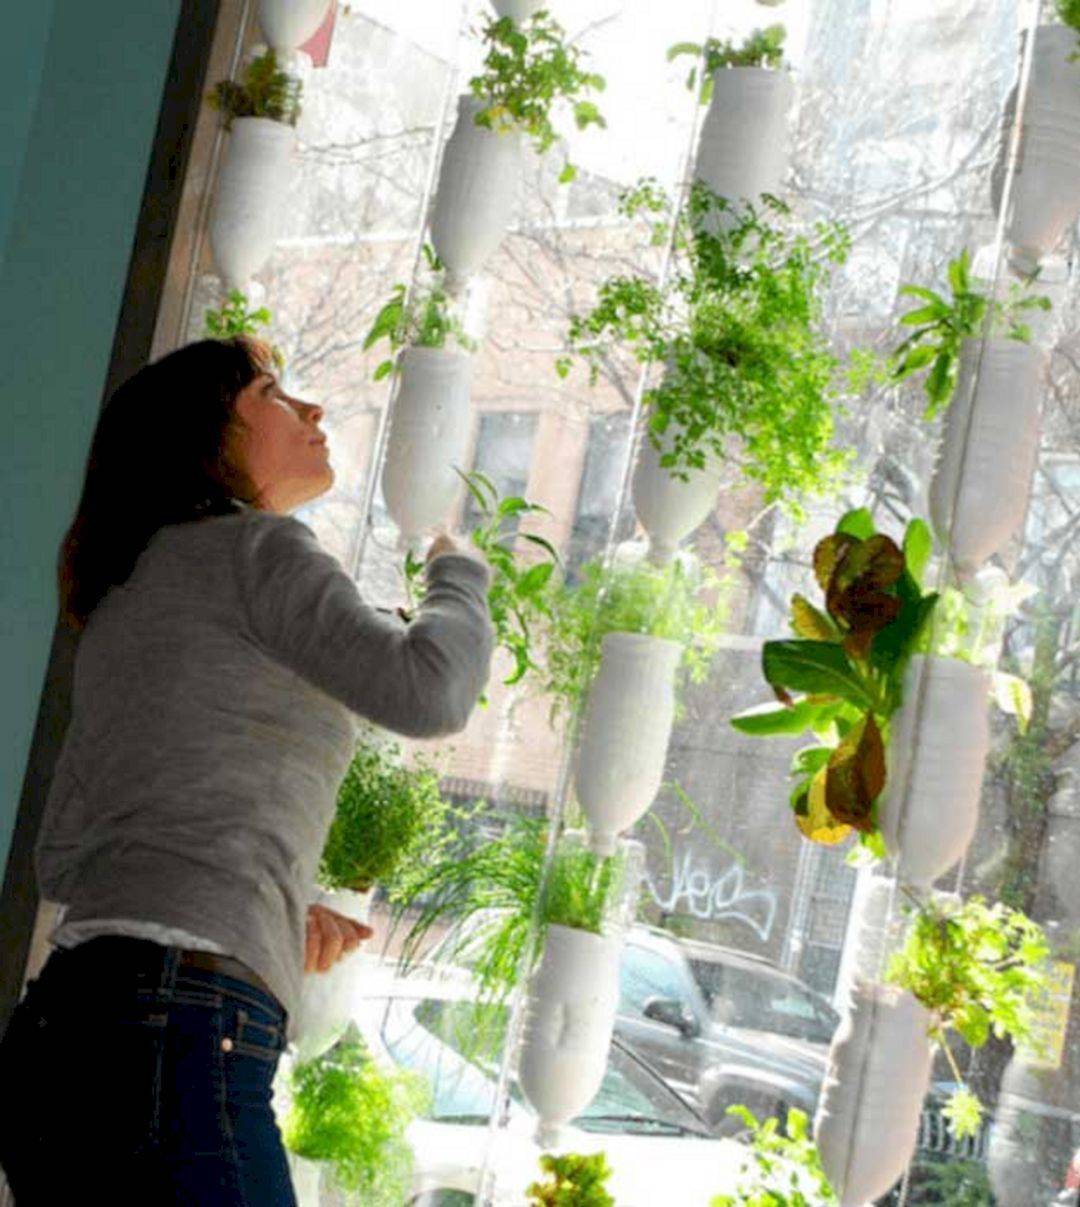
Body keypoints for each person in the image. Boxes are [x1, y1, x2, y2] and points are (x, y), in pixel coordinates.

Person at [0, 336, 493, 1204]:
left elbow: (69, 854)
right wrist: (460, 576)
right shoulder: (260, 551)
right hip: (176, 1032)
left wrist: (260, 905)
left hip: (60, 1030)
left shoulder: (125, 590)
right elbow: (431, 692)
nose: (314, 411)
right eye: (273, 392)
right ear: (206, 436)